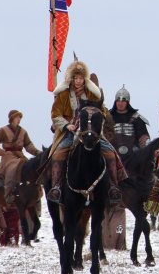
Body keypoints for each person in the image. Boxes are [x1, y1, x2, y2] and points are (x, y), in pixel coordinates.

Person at [47, 60, 122, 204]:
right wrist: (67, 125)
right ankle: (56, 187)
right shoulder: (63, 95)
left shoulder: (91, 94)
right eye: (76, 78)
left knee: (110, 153)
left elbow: (103, 110)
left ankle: (113, 186)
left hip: (92, 133)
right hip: (70, 132)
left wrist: (100, 118)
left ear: (84, 79)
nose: (78, 81)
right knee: (58, 154)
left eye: (81, 78)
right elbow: (55, 115)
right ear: (72, 79)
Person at [0, 110, 39, 204]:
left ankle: (36, 195)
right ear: (12, 118)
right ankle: (8, 194)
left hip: (20, 155)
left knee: (30, 168)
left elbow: (28, 145)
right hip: (7, 156)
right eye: (17, 117)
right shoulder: (3, 130)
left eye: (20, 117)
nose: (19, 119)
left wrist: (37, 152)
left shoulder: (23, 132)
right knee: (12, 168)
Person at [109, 86, 150, 161]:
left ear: (127, 102)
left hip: (133, 156)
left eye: (123, 101)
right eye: (118, 100)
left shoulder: (136, 118)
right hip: (112, 154)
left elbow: (144, 138)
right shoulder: (108, 117)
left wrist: (144, 152)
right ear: (115, 101)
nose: (120, 103)